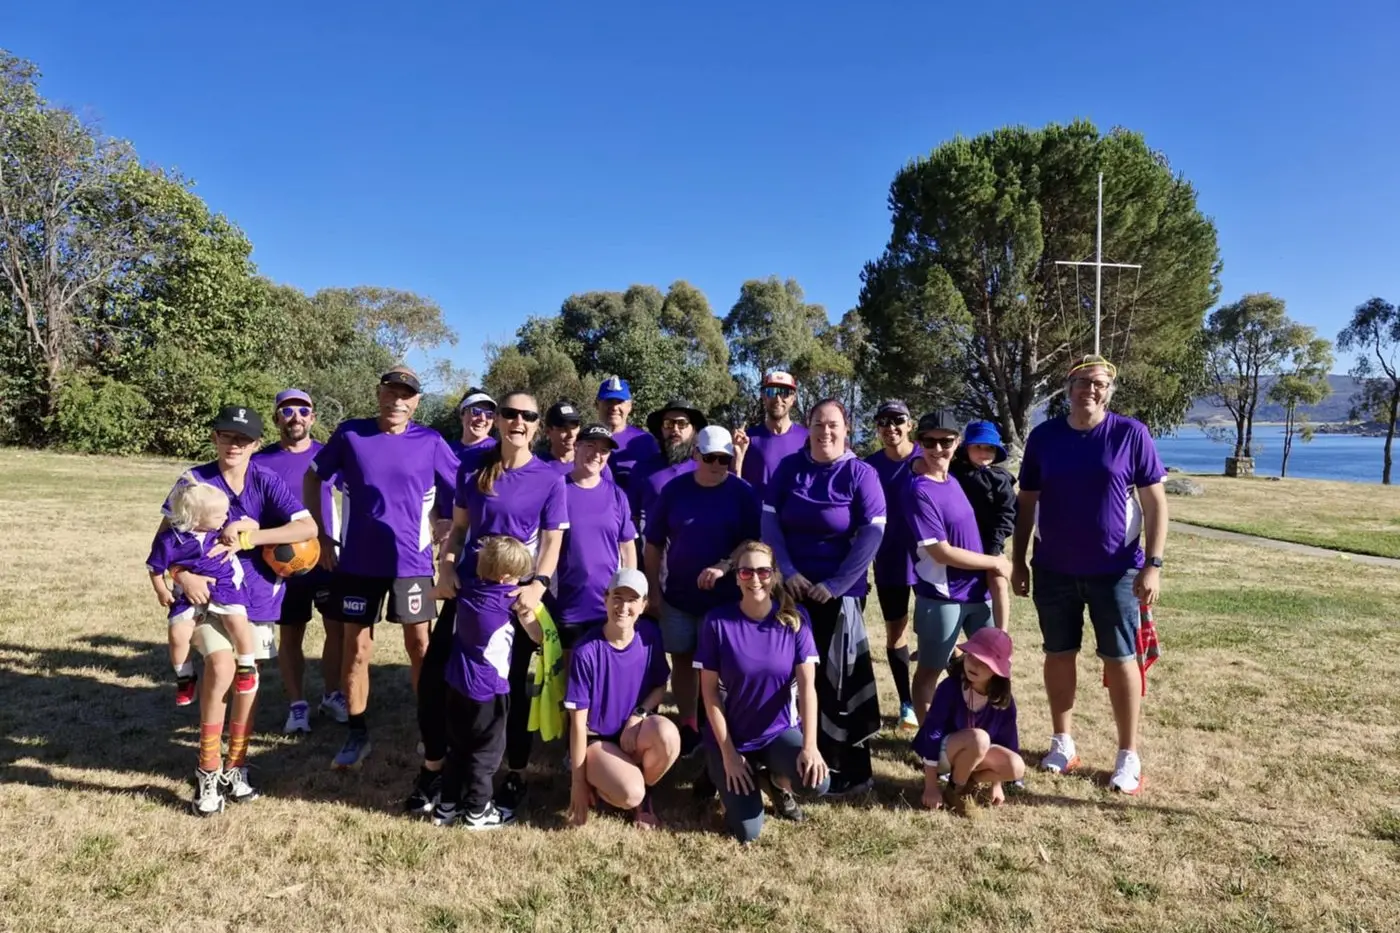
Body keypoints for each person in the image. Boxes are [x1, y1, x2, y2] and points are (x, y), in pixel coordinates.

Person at [1011, 355, 1168, 795]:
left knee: (1120, 659)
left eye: (1099, 383)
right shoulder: (1045, 438)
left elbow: (1155, 504)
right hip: (1054, 569)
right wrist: (1018, 560)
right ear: (1068, 387)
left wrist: (1153, 565)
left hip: (1116, 571)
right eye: (1082, 382)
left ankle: (1127, 755)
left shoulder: (1130, 434)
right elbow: (1026, 504)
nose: (1090, 390)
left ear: (1109, 391)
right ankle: (1062, 743)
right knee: (1058, 653)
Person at [158, 405, 317, 810]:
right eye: (227, 436)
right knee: (222, 667)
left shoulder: (265, 478)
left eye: (243, 439)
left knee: (250, 681)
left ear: (256, 445)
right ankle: (207, 770)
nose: (234, 444)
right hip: (203, 596)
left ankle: (236, 764)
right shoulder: (193, 481)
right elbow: (163, 542)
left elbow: (307, 528)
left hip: (256, 594)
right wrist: (181, 577)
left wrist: (253, 536)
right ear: (215, 438)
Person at [306, 367, 459, 771]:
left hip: (411, 562)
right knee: (356, 650)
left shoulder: (430, 441)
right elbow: (313, 477)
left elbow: (460, 490)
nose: (397, 400)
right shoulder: (351, 434)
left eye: (406, 394)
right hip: (358, 563)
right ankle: (357, 735)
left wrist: (446, 521)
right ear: (378, 394)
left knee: (421, 648)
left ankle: (430, 731)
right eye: (391, 392)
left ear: (416, 402)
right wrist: (321, 534)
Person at [427, 391, 567, 818]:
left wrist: (537, 586)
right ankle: (447, 774)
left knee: (511, 692)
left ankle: (513, 773)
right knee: (443, 679)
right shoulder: (474, 467)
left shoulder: (549, 477)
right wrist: (447, 568)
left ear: (537, 425)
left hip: (517, 600)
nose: (518, 422)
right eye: (510, 413)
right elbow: (459, 530)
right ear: (499, 419)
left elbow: (551, 541)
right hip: (468, 594)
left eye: (528, 416)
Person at [762, 399, 886, 797]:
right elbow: (770, 521)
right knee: (789, 676)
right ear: (809, 427)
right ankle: (791, 764)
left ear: (846, 428)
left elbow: (871, 535)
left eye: (833, 425)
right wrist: (788, 570)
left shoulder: (860, 473)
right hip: (790, 591)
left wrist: (834, 584)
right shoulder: (789, 469)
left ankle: (852, 772)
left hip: (840, 594)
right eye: (818, 424)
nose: (825, 432)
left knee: (840, 684)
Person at [698, 541, 830, 843]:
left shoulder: (795, 620)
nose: (755, 579)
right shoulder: (717, 622)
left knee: (817, 782)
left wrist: (810, 745)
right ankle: (716, 767)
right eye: (746, 572)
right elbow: (710, 694)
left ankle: (775, 780)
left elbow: (808, 688)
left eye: (762, 571)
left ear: (774, 575)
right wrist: (729, 755)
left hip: (777, 733)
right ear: (736, 577)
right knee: (748, 831)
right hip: (733, 738)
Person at [643, 426, 761, 756]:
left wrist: (726, 565)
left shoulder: (743, 493)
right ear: (696, 455)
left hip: (725, 600)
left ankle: (723, 727)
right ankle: (690, 724)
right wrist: (653, 591)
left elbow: (753, 542)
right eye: (711, 457)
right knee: (682, 658)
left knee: (723, 665)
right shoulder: (674, 490)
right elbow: (652, 544)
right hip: (678, 596)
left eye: (724, 459)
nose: (718, 464)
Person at [906, 410, 1012, 722]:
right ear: (920, 443)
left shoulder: (952, 479)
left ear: (957, 444)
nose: (938, 449)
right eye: (929, 441)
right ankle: (928, 746)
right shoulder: (919, 490)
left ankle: (981, 734)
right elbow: (941, 552)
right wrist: (994, 562)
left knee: (990, 670)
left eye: (946, 441)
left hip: (978, 594)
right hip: (943, 597)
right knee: (930, 672)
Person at [251, 388, 345, 734]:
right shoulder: (259, 462)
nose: (296, 418)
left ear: (313, 418)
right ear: (277, 418)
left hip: (325, 560)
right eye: (287, 412)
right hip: (282, 565)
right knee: (291, 634)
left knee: (337, 629)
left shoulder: (328, 455)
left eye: (303, 411)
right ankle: (297, 705)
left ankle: (333, 695)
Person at [431, 535, 541, 830]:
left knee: (456, 747)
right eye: (519, 575)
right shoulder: (510, 601)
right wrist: (529, 612)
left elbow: (434, 594)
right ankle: (478, 811)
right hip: (489, 690)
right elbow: (537, 636)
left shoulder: (465, 588)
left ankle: (447, 806)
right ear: (507, 577)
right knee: (486, 752)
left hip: (456, 684)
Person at [564, 568, 680, 829]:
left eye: (632, 599)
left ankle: (641, 789)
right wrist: (578, 784)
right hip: (597, 740)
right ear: (605, 599)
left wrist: (638, 715)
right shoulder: (586, 650)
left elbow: (660, 686)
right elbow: (578, 726)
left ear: (643, 605)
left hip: (633, 729)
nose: (623, 606)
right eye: (617, 597)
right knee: (630, 793)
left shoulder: (650, 636)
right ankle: (608, 781)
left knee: (669, 736)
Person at [151, 478, 256, 707]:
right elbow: (155, 568)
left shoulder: (222, 523)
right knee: (178, 634)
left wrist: (234, 527)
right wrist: (161, 591)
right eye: (220, 517)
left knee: (237, 621)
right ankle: (185, 677)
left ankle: (247, 666)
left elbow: (253, 524)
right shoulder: (169, 539)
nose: (224, 518)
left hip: (225, 583)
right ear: (197, 519)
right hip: (187, 592)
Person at [912, 627, 1023, 815]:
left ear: (998, 670)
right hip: (943, 754)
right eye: (972, 657)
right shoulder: (950, 687)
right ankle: (956, 790)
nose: (975, 665)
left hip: (976, 753)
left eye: (984, 663)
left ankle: (966, 782)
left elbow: (1007, 742)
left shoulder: (1004, 701)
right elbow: (932, 733)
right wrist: (930, 785)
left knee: (1017, 766)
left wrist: (997, 785)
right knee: (979, 739)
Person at [548, 423, 637, 654]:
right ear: (576, 446)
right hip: (568, 604)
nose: (596, 454)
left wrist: (629, 592)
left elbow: (627, 548)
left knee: (604, 675)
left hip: (608, 606)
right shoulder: (557, 489)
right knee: (569, 681)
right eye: (590, 445)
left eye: (604, 450)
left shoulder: (617, 495)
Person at [862, 400, 923, 730]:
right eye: (883, 422)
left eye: (897, 420)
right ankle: (907, 704)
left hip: (931, 560)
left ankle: (949, 702)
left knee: (940, 634)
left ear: (909, 424)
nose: (890, 427)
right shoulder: (869, 467)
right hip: (889, 562)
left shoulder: (926, 457)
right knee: (896, 632)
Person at [951, 420, 1017, 632]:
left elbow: (1007, 514)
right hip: (957, 542)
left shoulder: (1000, 479)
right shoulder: (953, 474)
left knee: (998, 580)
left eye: (989, 447)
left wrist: (996, 546)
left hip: (990, 541)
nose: (983, 452)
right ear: (966, 448)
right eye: (977, 446)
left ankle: (1002, 632)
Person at [631, 398, 706, 532]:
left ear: (694, 429)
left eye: (682, 424)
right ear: (661, 429)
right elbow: (632, 519)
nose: (675, 429)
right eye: (668, 424)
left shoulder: (706, 467)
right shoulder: (642, 469)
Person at [732, 370, 808, 502]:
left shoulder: (807, 438)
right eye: (771, 392)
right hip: (757, 519)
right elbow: (734, 485)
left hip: (795, 519)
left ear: (793, 398)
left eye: (784, 393)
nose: (778, 399)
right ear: (763, 396)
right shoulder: (748, 439)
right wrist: (737, 456)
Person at [595, 376, 660, 490]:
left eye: (620, 402)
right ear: (597, 404)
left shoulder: (646, 441)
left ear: (630, 406)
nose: (614, 407)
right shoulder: (583, 441)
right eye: (609, 401)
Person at [453, 387, 499, 469]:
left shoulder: (498, 452)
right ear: (462, 414)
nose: (483, 418)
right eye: (476, 411)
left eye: (489, 414)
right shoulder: (447, 450)